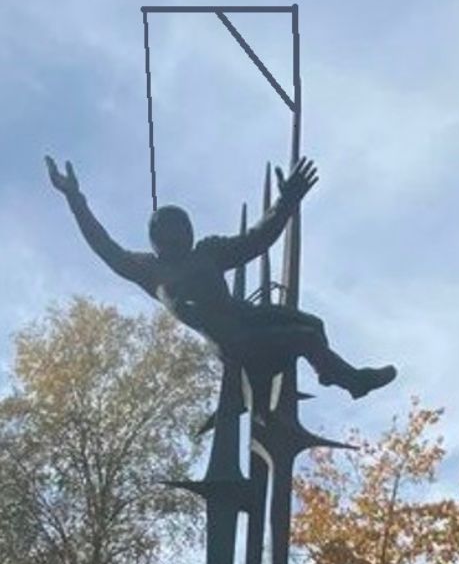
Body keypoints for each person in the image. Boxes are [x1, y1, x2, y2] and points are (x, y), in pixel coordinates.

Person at [45, 156, 397, 399]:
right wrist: (75, 198)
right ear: (158, 237)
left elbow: (258, 238)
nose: (179, 233)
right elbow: (103, 245)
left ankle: (331, 373)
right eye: (170, 229)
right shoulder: (150, 271)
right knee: (305, 337)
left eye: (183, 226)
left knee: (313, 324)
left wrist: (286, 200)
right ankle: (352, 381)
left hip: (246, 315)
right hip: (233, 341)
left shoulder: (208, 252)